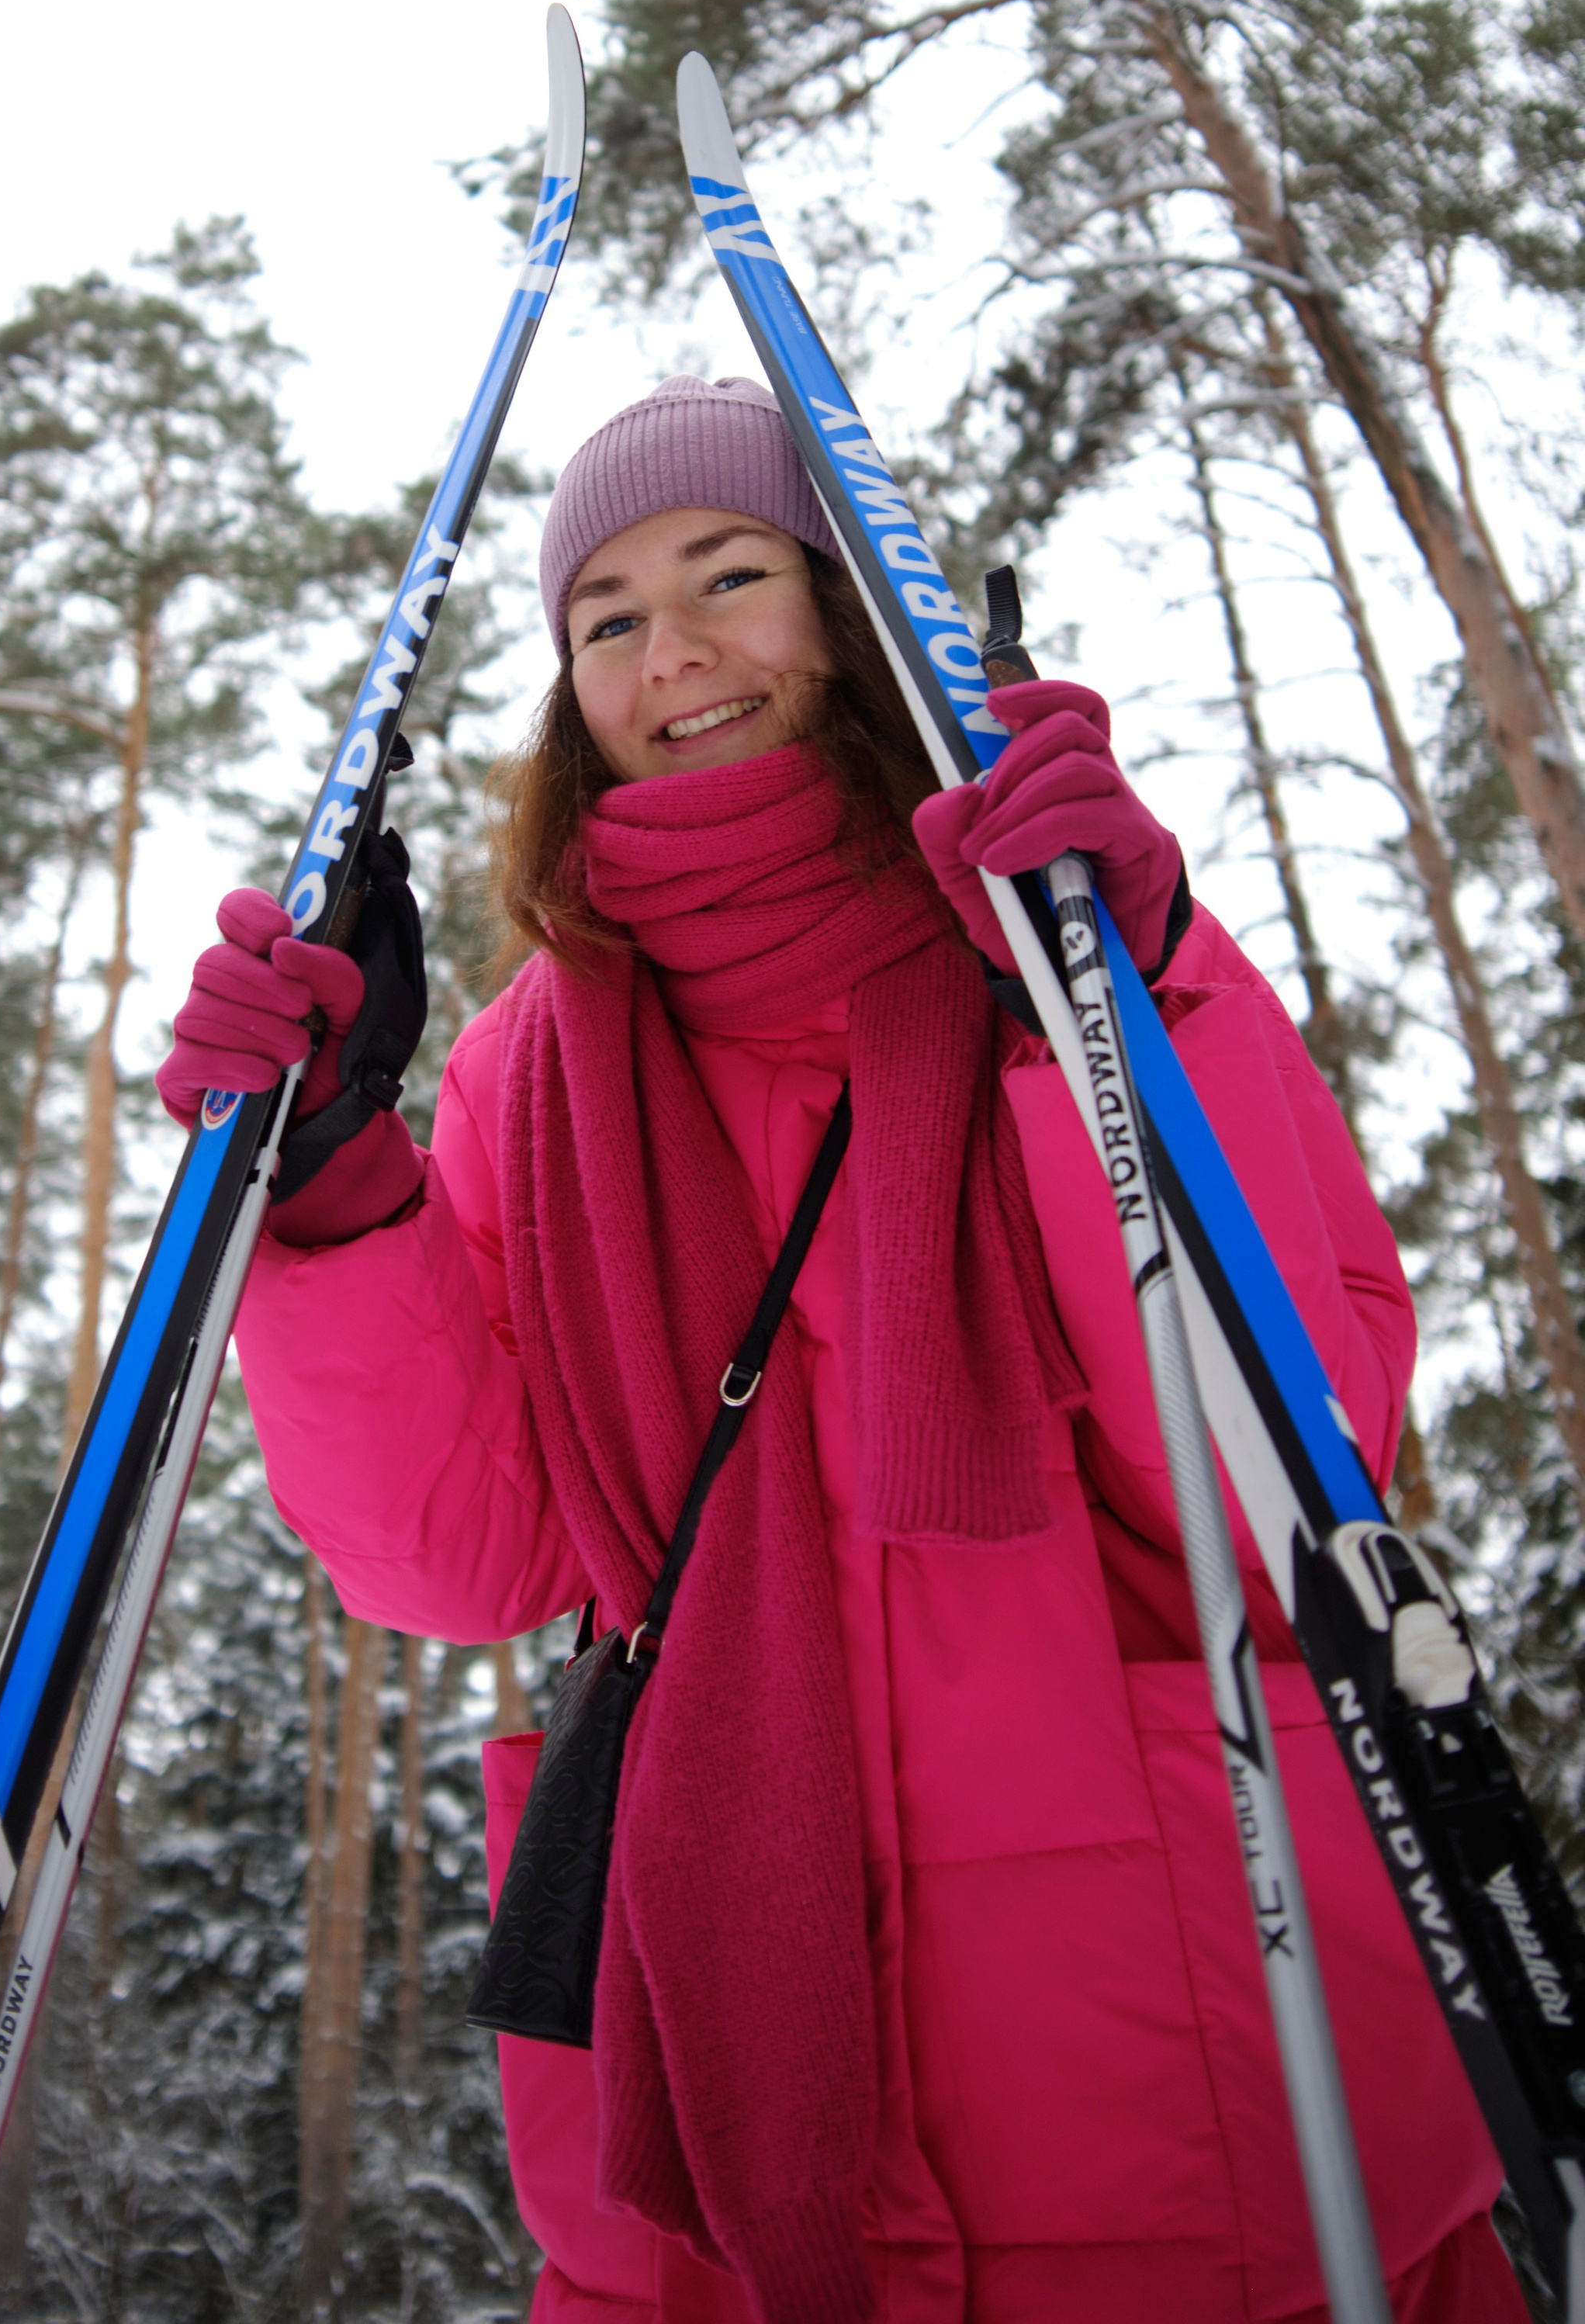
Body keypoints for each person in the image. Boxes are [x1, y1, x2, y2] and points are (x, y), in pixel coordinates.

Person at [158, 375, 1516, 2324]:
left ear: (846, 613)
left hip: (1201, 2030)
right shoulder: (526, 1069)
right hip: (706, 2072)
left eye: (729, 575)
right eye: (606, 617)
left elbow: (1270, 1456)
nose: (672, 649)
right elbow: (464, 1555)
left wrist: (1094, 1016)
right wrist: (332, 1192)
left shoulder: (1073, 934)